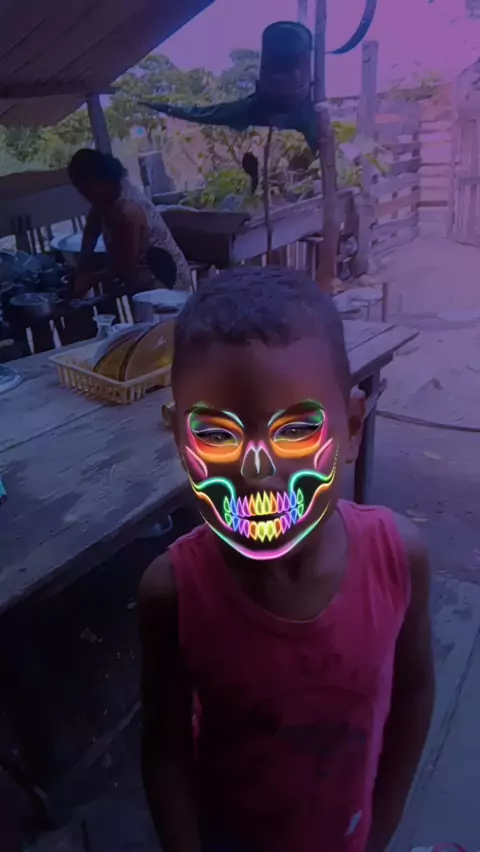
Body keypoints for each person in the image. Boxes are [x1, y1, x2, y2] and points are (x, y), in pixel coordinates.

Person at [139, 266, 435, 852]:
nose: (256, 472)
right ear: (178, 439)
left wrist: (382, 825)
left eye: (295, 430)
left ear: (352, 428)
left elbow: (415, 693)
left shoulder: (398, 560)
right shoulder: (172, 593)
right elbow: (165, 751)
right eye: (217, 437)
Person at [67, 148, 192, 297]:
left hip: (166, 283)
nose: (84, 196)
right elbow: (91, 232)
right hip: (142, 278)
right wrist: (82, 267)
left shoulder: (126, 211)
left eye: (84, 190)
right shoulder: (105, 196)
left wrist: (90, 279)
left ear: (97, 183)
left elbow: (124, 267)